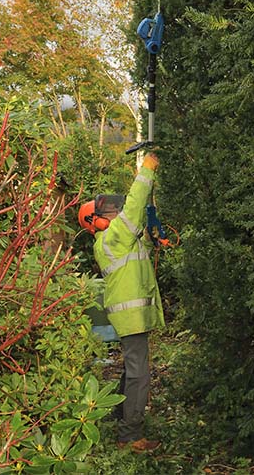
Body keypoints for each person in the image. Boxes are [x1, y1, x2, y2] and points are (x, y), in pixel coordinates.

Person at [77, 152, 165, 453]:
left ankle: (120, 417)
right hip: (130, 316)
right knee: (139, 373)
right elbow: (134, 207)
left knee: (132, 369)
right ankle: (130, 435)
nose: (115, 212)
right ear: (95, 221)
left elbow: (138, 224)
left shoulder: (115, 238)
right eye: (109, 210)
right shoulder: (111, 238)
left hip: (131, 315)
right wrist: (146, 172)